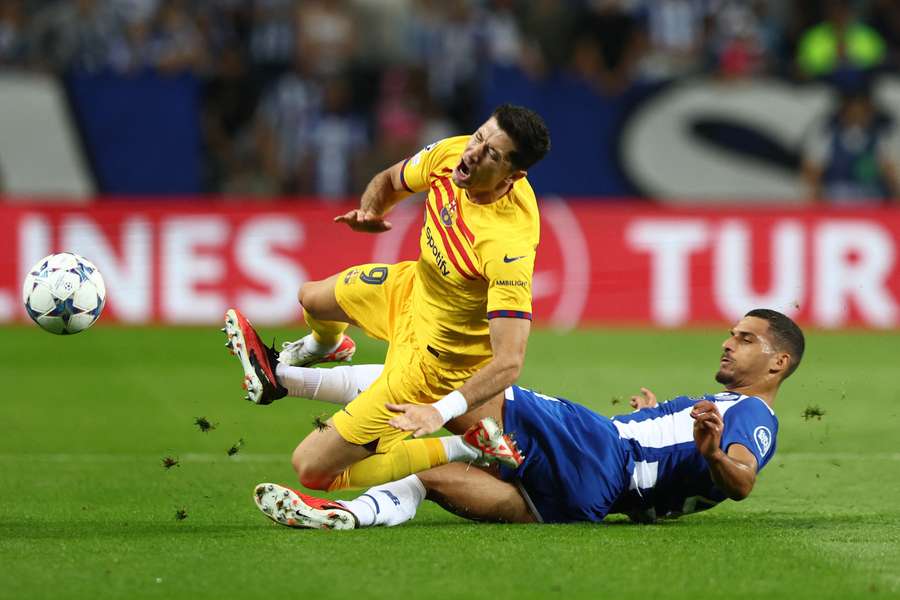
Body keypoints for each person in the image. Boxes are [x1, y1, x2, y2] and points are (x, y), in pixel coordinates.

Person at [224, 103, 551, 495]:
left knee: (311, 469)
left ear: (513, 176)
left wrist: (440, 410)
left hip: (434, 361)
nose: (474, 153)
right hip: (411, 289)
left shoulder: (507, 247)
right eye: (480, 136)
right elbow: (392, 179)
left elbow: (510, 360)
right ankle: (325, 345)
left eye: (492, 155)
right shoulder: (454, 154)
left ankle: (465, 447)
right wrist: (372, 209)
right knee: (310, 298)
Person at [249, 308, 805, 529]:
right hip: (590, 505)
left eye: (746, 339)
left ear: (778, 363)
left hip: (599, 449)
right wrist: (659, 428)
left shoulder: (754, 413)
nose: (729, 343)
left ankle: (286, 380)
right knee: (425, 478)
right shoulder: (722, 409)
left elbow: (742, 479)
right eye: (732, 333)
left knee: (447, 379)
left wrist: (707, 454)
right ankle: (351, 515)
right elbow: (672, 489)